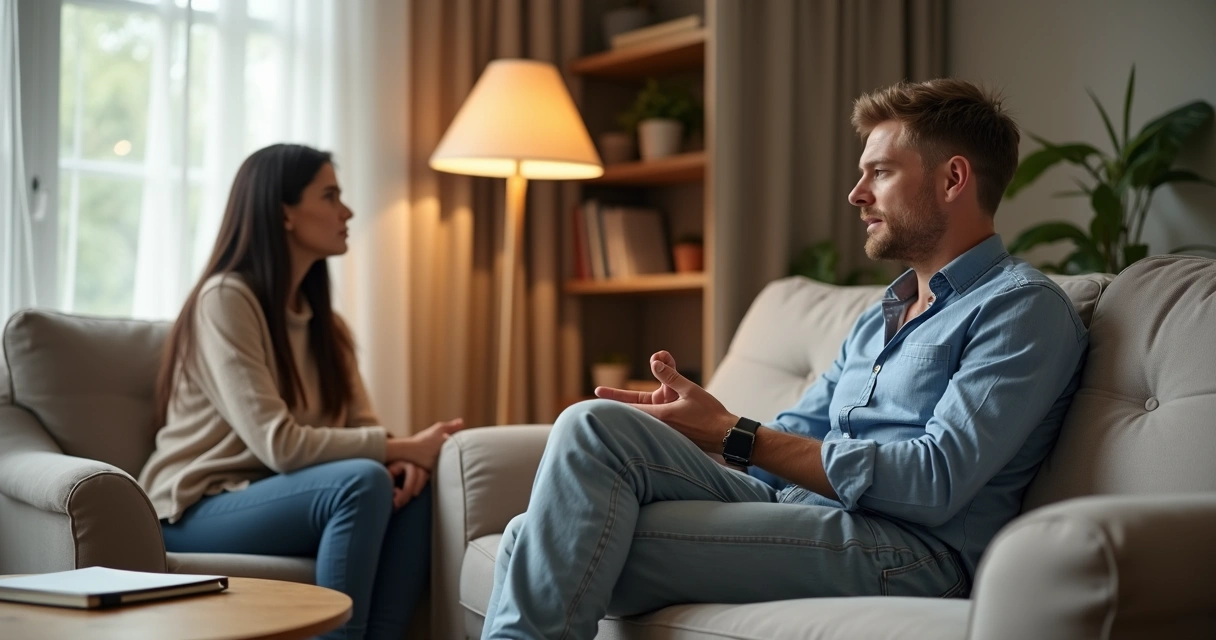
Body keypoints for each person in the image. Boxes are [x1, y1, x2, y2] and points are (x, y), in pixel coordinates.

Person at [481, 79, 1090, 639]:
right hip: (799, 511)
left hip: (912, 551)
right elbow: (793, 435)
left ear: (953, 179)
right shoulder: (882, 313)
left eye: (879, 172)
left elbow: (935, 481)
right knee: (592, 426)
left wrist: (736, 435)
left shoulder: (1019, 310)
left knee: (536, 539)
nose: (857, 194)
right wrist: (706, 432)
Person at [139, 143, 464, 640]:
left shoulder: (327, 328)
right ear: (283, 212)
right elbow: (281, 445)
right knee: (361, 481)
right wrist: (399, 447)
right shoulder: (225, 300)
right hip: (196, 505)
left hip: (281, 494)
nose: (347, 211)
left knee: (412, 485)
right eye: (330, 195)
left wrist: (405, 459)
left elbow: (364, 430)